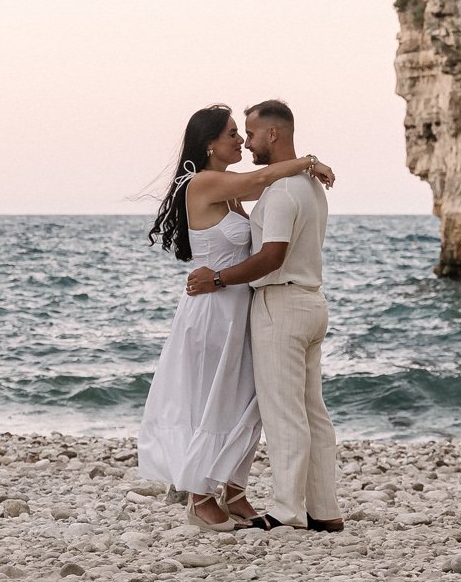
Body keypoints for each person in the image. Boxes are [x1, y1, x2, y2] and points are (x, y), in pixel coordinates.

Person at [138, 105, 334, 531]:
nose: (241, 141)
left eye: (243, 133)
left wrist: (301, 170)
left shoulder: (228, 192)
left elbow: (269, 200)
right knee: (213, 400)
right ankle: (199, 496)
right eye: (232, 134)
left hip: (239, 305)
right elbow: (265, 179)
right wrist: (310, 163)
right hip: (212, 308)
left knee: (245, 402)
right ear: (210, 144)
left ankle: (233, 489)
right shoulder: (203, 182)